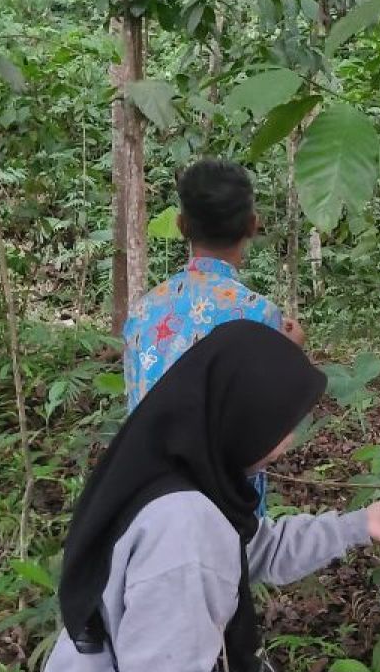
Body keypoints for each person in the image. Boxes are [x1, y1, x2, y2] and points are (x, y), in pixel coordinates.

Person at [13, 321, 380, 672]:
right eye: (281, 422)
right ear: (240, 417)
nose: (290, 440)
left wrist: (359, 525)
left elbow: (253, 549)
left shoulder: (164, 474)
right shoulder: (184, 529)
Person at [122, 158, 303, 517]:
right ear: (252, 225)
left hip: (150, 502)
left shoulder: (144, 310)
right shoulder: (258, 312)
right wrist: (290, 352)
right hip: (224, 509)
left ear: (181, 225)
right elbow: (266, 433)